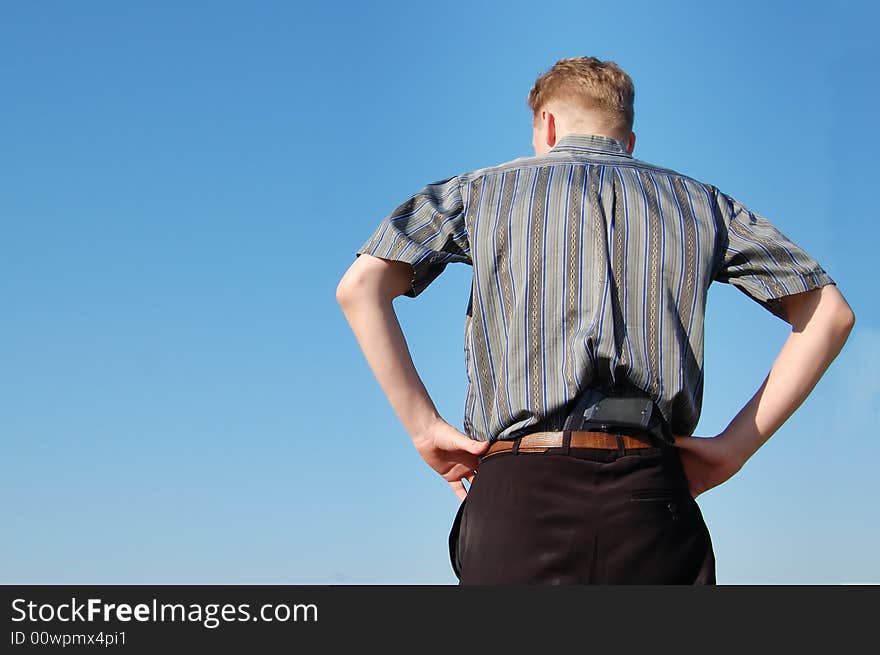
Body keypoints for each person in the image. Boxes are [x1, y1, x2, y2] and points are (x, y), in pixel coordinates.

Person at [335, 56, 855, 584]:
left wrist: (424, 429)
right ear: (628, 140)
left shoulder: (476, 193)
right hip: (652, 494)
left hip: (519, 490)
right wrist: (732, 449)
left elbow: (360, 287)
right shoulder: (703, 204)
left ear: (548, 125)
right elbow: (829, 313)